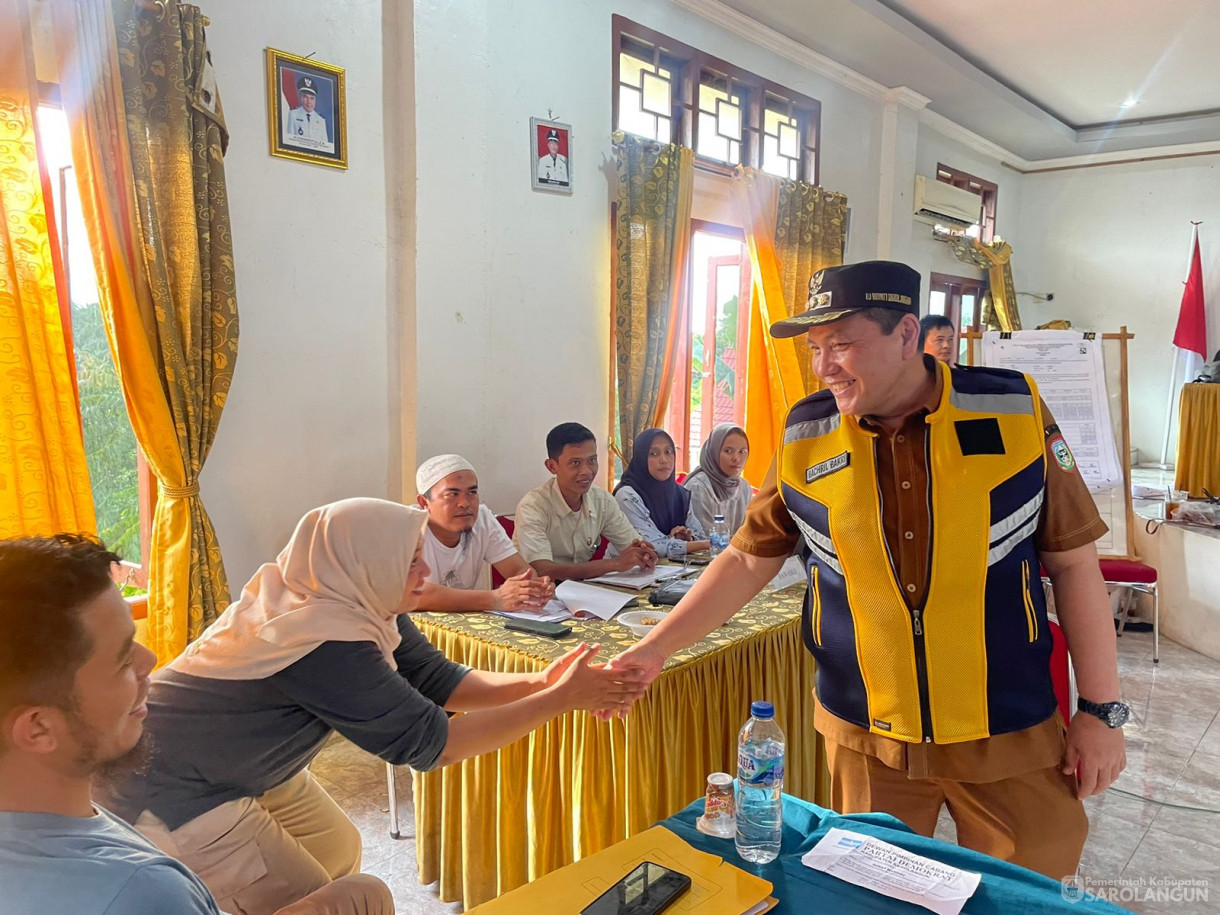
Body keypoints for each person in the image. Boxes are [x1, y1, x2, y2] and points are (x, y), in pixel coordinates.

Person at [610, 261, 1128, 880]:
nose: (824, 365)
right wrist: (656, 647)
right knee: (876, 892)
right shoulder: (808, 434)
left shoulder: (1012, 410)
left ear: (906, 334)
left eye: (842, 344)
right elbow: (748, 558)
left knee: (1030, 889)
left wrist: (1101, 712)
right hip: (867, 736)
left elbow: (1073, 565)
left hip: (1006, 724)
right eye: (815, 348)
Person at [105, 499, 645, 915]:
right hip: (175, 788)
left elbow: (439, 679)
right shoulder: (323, 638)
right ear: (368, 562)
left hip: (243, 768)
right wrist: (559, 700)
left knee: (337, 850)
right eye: (411, 563)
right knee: (318, 899)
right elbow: (438, 745)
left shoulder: (353, 596)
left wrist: (540, 681)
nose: (424, 577)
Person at [0, 534, 393, 915]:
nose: (149, 660)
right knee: (365, 895)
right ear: (37, 729)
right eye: (122, 660)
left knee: (351, 879)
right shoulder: (144, 890)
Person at [515, 423, 658, 581]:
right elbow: (542, 570)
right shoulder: (533, 507)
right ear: (552, 466)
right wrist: (614, 564)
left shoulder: (602, 501)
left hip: (583, 592)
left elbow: (633, 546)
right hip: (538, 597)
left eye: (592, 460)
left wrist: (643, 554)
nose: (587, 471)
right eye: (575, 463)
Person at [414, 454, 555, 613]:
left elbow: (519, 570)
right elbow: (413, 593)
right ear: (424, 503)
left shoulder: (482, 519)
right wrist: (495, 598)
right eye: (452, 494)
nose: (465, 503)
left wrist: (530, 588)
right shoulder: (406, 527)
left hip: (463, 625)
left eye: (472, 492)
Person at [613, 429, 709, 559]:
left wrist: (688, 538)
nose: (664, 460)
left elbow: (700, 535)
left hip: (666, 572)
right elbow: (653, 547)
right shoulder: (627, 495)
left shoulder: (680, 494)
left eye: (668, 452)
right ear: (641, 458)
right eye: (653, 453)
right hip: (622, 574)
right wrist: (705, 544)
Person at [683, 424, 752, 536]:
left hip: (737, 551)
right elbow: (704, 535)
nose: (736, 458)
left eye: (742, 451)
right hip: (706, 551)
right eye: (728, 451)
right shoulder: (698, 486)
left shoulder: (744, 487)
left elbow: (750, 531)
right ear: (714, 451)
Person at [285, 75, 330, 148]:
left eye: (312, 98)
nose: (309, 102)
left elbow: (325, 147)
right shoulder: (293, 115)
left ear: (315, 100)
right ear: (301, 98)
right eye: (305, 97)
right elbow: (289, 142)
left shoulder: (321, 120)